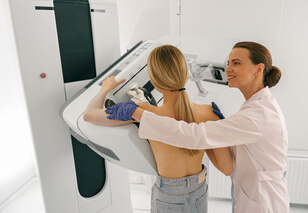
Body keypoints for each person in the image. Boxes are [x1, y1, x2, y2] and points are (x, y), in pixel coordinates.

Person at [106, 41, 290, 213]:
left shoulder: (259, 114)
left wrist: (139, 114)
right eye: (228, 63)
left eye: (236, 63)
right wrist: (216, 130)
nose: (228, 69)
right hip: (230, 191)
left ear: (259, 69)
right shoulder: (255, 106)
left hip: (264, 201)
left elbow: (194, 136)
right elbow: (230, 158)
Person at [83, 45, 233, 213]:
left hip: (168, 197)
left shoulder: (144, 113)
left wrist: (106, 88)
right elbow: (227, 168)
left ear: (154, 80)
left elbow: (88, 115)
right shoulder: (209, 112)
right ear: (185, 75)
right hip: (199, 191)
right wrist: (206, 140)